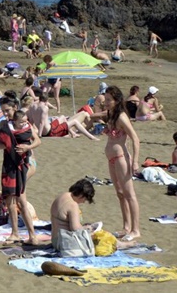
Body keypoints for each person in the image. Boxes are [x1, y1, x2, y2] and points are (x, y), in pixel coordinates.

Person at [0, 95, 41, 245]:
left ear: (15, 107)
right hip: (10, 163)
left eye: (7, 110)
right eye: (2, 111)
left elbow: (37, 140)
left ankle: (32, 235)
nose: (5, 113)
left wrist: (27, 147)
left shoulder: (24, 122)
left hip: (27, 163)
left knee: (20, 198)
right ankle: (15, 233)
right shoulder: (4, 124)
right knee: (10, 199)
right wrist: (9, 145)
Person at [103, 85, 141, 241]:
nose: (106, 102)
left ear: (117, 100)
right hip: (111, 158)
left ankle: (135, 230)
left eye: (108, 100)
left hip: (121, 158)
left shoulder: (121, 117)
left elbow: (135, 138)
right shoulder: (111, 114)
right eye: (105, 99)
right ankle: (126, 227)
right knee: (120, 193)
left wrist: (136, 161)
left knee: (129, 194)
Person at [50, 179, 97, 253]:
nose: (83, 202)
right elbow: (75, 228)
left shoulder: (62, 196)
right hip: (64, 243)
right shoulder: (73, 205)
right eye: (85, 199)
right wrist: (88, 229)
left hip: (55, 239)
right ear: (81, 195)